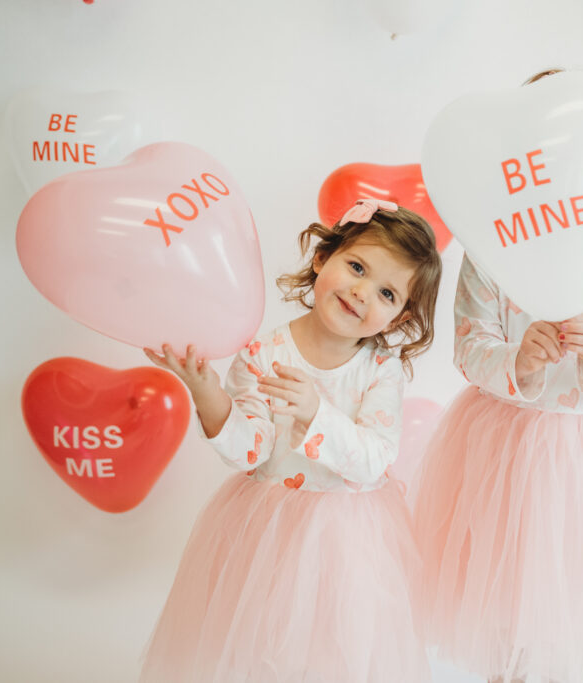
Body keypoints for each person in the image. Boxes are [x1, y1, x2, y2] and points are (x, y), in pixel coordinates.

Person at [411, 70, 583, 683]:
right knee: (505, 597)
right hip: (504, 444)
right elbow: (469, 345)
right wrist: (519, 361)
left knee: (572, 596)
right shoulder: (492, 248)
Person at [139, 198, 442, 683]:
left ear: (401, 319)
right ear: (323, 258)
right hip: (267, 534)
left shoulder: (380, 371)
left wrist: (316, 414)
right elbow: (249, 450)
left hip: (349, 541)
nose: (363, 292)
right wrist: (206, 391)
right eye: (357, 267)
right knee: (262, 652)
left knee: (335, 656)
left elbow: (374, 460)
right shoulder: (264, 352)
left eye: (387, 293)